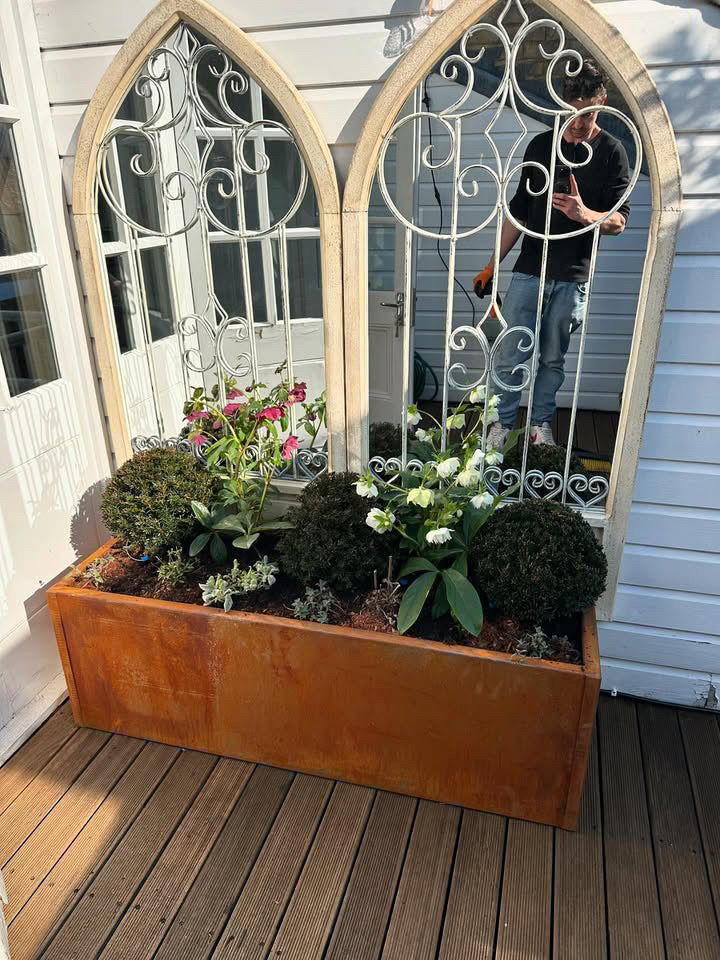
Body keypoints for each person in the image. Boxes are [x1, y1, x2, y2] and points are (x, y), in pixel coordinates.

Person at [474, 60, 630, 449]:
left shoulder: (612, 152)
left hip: (573, 276)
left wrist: (584, 214)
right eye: (570, 112)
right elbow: (519, 213)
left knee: (552, 360)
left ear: (601, 104)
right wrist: (492, 266)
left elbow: (619, 222)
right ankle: (501, 426)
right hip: (530, 270)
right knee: (510, 354)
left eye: (586, 114)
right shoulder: (541, 146)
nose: (576, 124)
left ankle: (539, 427)